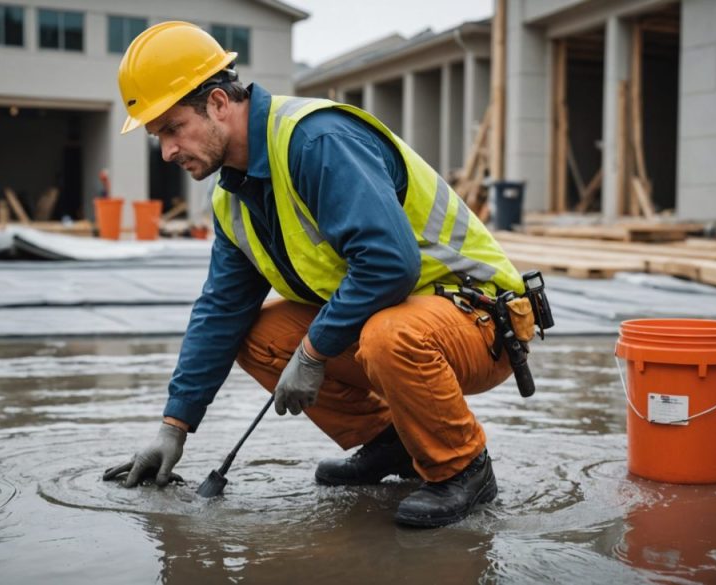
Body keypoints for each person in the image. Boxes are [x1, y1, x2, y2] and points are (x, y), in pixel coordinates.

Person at [103, 21, 526, 528]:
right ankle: (393, 443)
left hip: (480, 317)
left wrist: (314, 350)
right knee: (256, 334)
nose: (167, 151)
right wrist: (174, 426)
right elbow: (220, 311)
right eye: (157, 137)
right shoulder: (232, 198)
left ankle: (463, 466)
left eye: (172, 128)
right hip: (404, 314)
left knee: (387, 335)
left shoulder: (316, 141)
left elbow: (390, 263)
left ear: (218, 103)